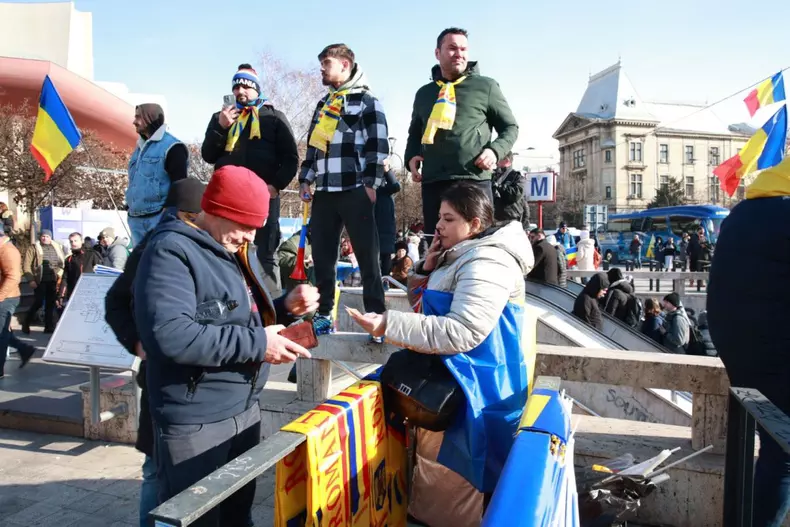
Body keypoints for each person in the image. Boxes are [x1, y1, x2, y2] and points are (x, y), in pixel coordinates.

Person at [135, 165, 317, 527]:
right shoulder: (170, 251)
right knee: (198, 518)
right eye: (246, 225)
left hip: (243, 409)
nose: (250, 236)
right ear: (216, 211)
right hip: (196, 421)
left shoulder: (231, 246)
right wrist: (258, 345)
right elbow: (171, 335)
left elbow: (236, 317)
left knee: (236, 514)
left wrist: (283, 306)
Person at [348, 182, 533, 526]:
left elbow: (463, 330)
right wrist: (425, 270)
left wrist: (388, 325)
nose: (439, 226)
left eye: (448, 219)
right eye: (439, 218)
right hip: (447, 385)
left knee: (461, 492)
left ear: (475, 224)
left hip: (475, 394)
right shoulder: (460, 255)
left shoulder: (488, 261)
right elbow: (426, 310)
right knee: (439, 489)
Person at [104, 178, 205, 527]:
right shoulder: (155, 247)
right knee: (155, 471)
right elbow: (115, 301)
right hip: (161, 381)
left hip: (190, 384)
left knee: (166, 474)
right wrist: (136, 342)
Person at [708, 163, 790, 526]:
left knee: (771, 447)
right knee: (783, 453)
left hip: (740, 355)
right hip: (776, 355)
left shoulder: (743, 212)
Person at [298, 43, 388, 335]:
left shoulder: (367, 101)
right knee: (323, 257)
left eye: (326, 62)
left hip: (355, 190)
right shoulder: (323, 104)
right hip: (324, 191)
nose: (321, 68)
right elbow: (313, 144)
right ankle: (324, 315)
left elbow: (378, 145)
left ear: (345, 65)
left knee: (367, 256)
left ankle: (376, 316)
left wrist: (371, 185)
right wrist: (305, 178)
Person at [405, 27, 519, 235]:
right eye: (452, 48)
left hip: (473, 179)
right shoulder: (424, 93)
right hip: (434, 181)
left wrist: (494, 151)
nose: (459, 54)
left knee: (476, 244)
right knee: (437, 244)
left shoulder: (486, 87)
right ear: (437, 53)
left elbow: (510, 127)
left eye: (464, 49)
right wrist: (410, 156)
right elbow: (415, 132)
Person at [201, 63, 299, 293]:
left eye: (245, 86)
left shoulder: (274, 118)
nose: (240, 91)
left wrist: (274, 187)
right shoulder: (222, 117)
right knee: (222, 248)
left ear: (256, 89)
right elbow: (208, 155)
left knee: (265, 254)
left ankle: (272, 311)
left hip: (262, 198)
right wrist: (220, 127)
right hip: (226, 200)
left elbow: (291, 158)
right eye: (236, 87)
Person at [126, 103, 188, 246]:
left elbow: (180, 185)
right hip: (135, 218)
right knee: (138, 265)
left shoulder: (173, 147)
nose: (134, 121)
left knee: (156, 263)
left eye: (138, 117)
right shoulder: (139, 148)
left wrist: (168, 214)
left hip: (158, 218)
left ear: (150, 118)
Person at [0, 232, 35, 377]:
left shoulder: (8, 250)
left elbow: (14, 277)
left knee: (1, 334)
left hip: (6, 298)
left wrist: (0, 297)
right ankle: (24, 349)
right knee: (3, 331)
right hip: (4, 296)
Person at [22, 229, 64, 334]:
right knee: (38, 302)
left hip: (53, 280)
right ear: (40, 237)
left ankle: (49, 327)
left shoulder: (57, 247)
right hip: (39, 280)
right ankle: (26, 322)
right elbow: (26, 265)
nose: (45, 238)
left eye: (47, 236)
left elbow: (61, 263)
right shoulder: (33, 248)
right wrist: (30, 279)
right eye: (43, 236)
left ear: (51, 238)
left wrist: (59, 273)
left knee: (50, 304)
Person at [375, 159, 401, 278]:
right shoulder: (370, 186)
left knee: (385, 257)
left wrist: (387, 170)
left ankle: (385, 281)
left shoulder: (385, 189)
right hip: (373, 226)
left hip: (385, 228)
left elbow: (396, 186)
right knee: (373, 258)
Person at [59, 232, 101, 304]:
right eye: (71, 241)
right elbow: (65, 278)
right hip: (74, 293)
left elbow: (101, 273)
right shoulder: (69, 259)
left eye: (76, 241)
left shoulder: (92, 254)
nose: (73, 243)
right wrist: (61, 295)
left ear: (81, 241)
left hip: (90, 293)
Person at [491, 152, 525, 225]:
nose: (496, 162)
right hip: (492, 218)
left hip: (509, 219)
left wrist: (499, 186)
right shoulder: (492, 175)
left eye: (498, 159)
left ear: (506, 160)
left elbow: (516, 194)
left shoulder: (516, 177)